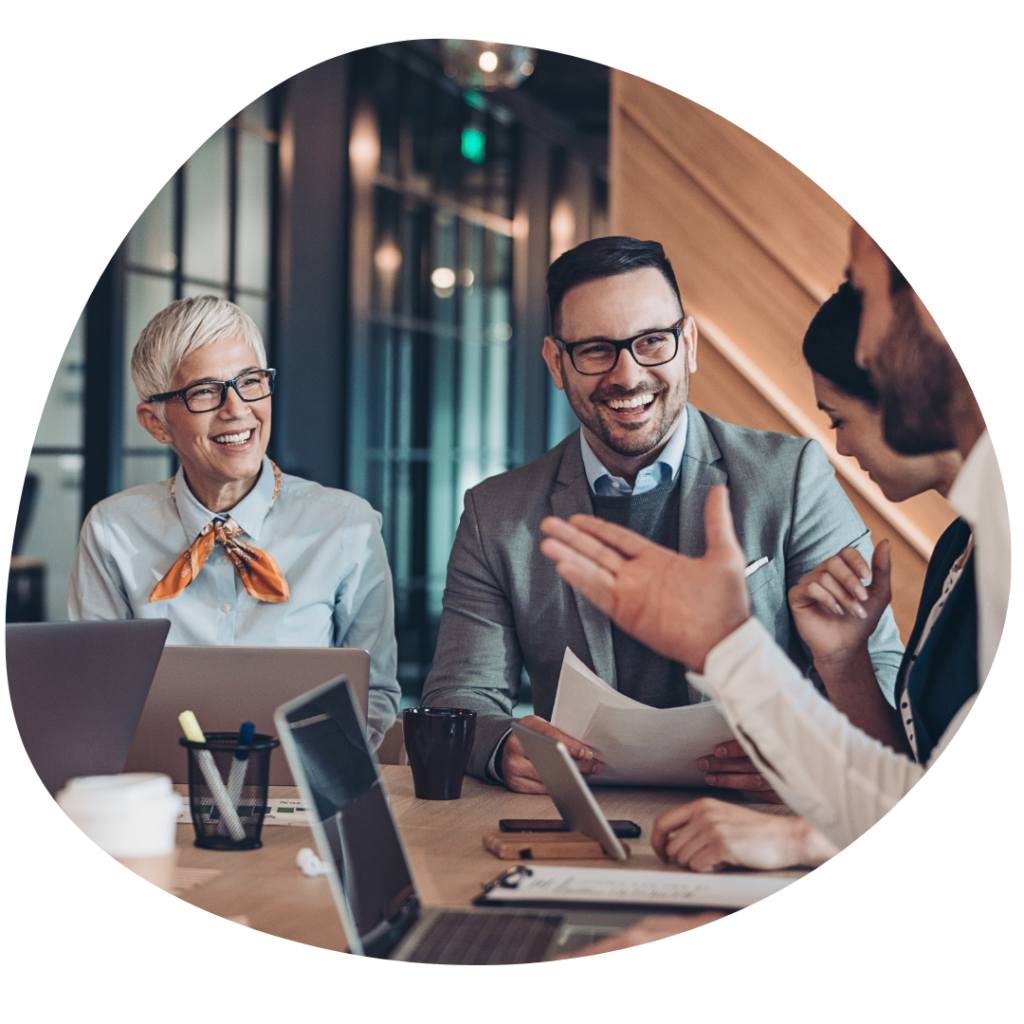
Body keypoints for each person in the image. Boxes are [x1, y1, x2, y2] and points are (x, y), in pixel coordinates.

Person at [537, 222, 1008, 851]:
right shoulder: (976, 538)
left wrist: (794, 842)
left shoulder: (798, 475)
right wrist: (736, 649)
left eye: (864, 299)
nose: (862, 352)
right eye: (595, 349)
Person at [421, 236, 905, 794]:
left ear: (689, 344)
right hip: (578, 821)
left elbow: (878, 667)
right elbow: (458, 698)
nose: (628, 376)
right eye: (597, 350)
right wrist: (503, 746)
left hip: (755, 819)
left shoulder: (791, 476)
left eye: (652, 342)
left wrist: (804, 750)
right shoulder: (495, 513)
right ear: (557, 362)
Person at [649, 279, 970, 872]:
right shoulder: (961, 545)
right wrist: (844, 660)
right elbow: (906, 770)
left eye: (840, 419)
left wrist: (803, 839)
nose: (843, 448)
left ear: (903, 387)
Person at [68, 296, 400, 749]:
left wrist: (324, 774)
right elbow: (93, 696)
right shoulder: (112, 530)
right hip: (163, 794)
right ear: (156, 422)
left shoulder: (347, 525)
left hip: (302, 796)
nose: (237, 408)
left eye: (250, 381)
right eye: (204, 391)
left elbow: (375, 695)